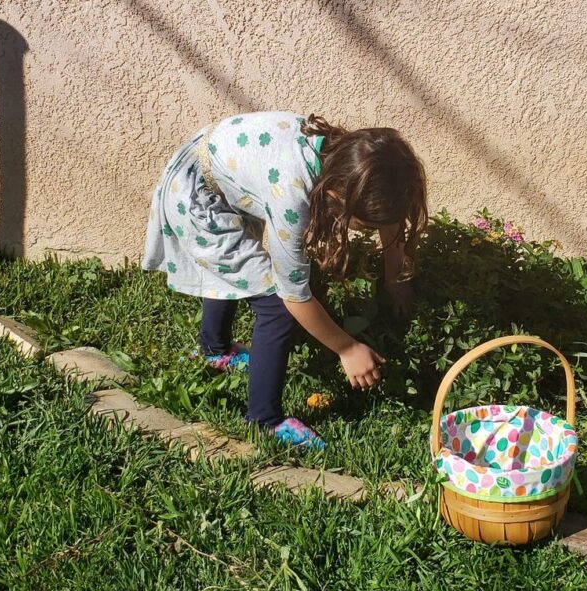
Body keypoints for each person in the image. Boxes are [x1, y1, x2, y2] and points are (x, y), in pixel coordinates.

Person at [143, 112, 428, 449]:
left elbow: (389, 220)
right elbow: (295, 297)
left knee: (237, 271)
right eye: (362, 226)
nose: (367, 232)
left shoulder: (354, 162)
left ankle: (214, 350)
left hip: (217, 170)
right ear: (337, 199)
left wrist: (396, 280)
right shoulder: (292, 198)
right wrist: (346, 348)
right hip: (198, 197)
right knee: (274, 305)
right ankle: (265, 419)